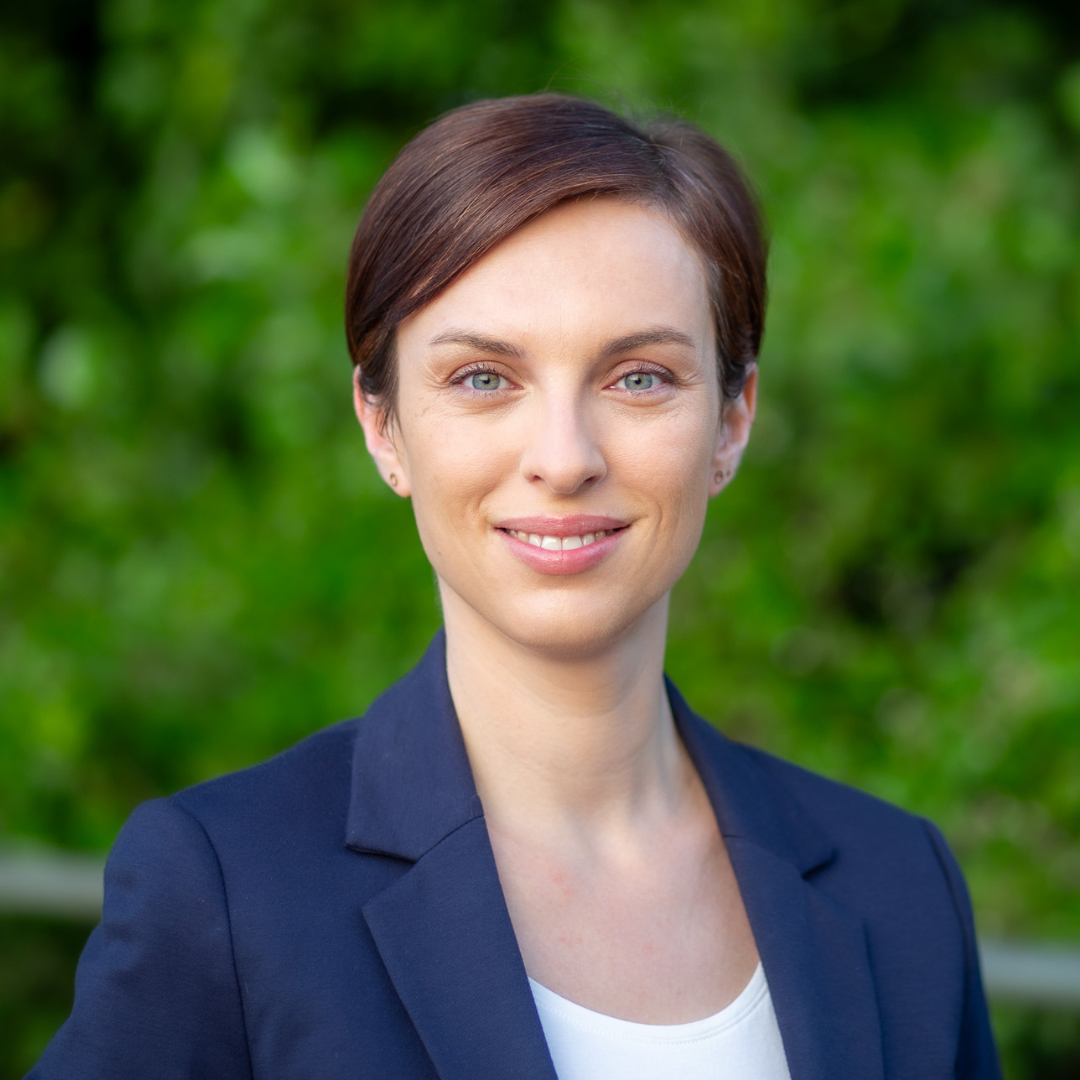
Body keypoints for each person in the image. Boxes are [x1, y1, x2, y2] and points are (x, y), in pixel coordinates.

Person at [30, 94, 1001, 1080]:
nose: (564, 457)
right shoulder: (227, 893)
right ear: (383, 424)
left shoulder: (901, 889)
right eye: (485, 379)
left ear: (735, 417)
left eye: (640, 377)